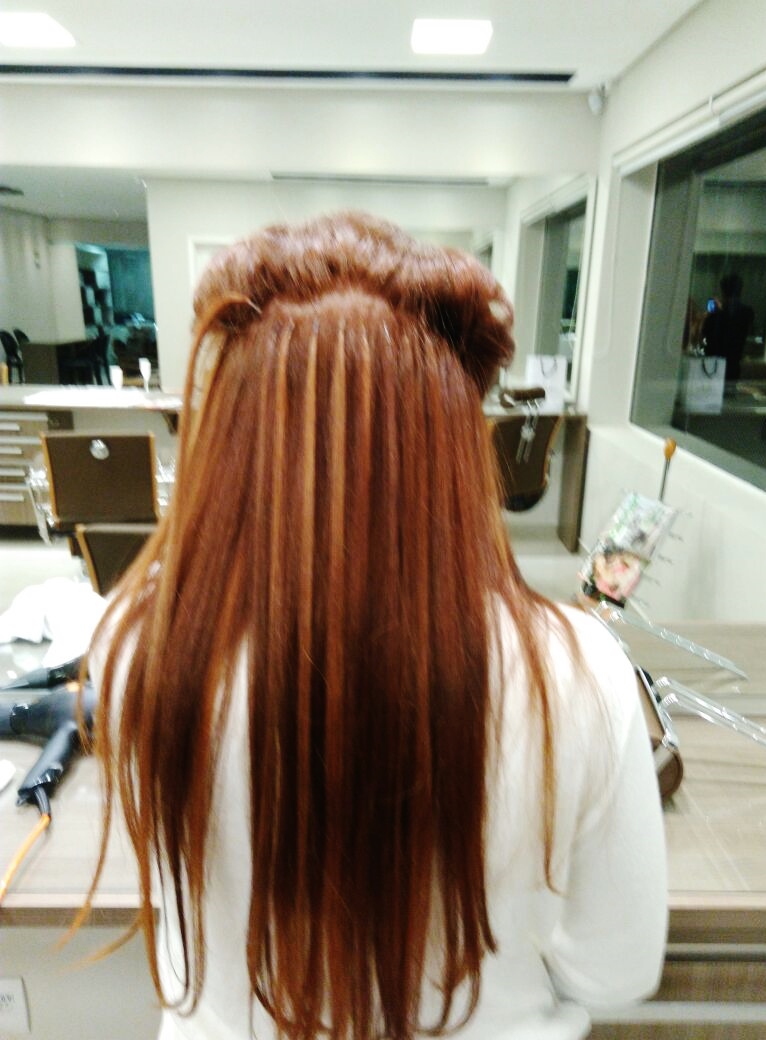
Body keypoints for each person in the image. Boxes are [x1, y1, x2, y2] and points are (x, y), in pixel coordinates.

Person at [81, 213, 667, 1040]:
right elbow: (617, 972)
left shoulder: (139, 647)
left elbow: (185, 936)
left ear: (233, 432)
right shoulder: (581, 671)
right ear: (456, 440)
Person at [701, 273, 754, 381]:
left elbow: (705, 333)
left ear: (723, 292)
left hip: (714, 364)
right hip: (734, 364)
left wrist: (713, 313)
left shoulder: (715, 316)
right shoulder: (747, 312)